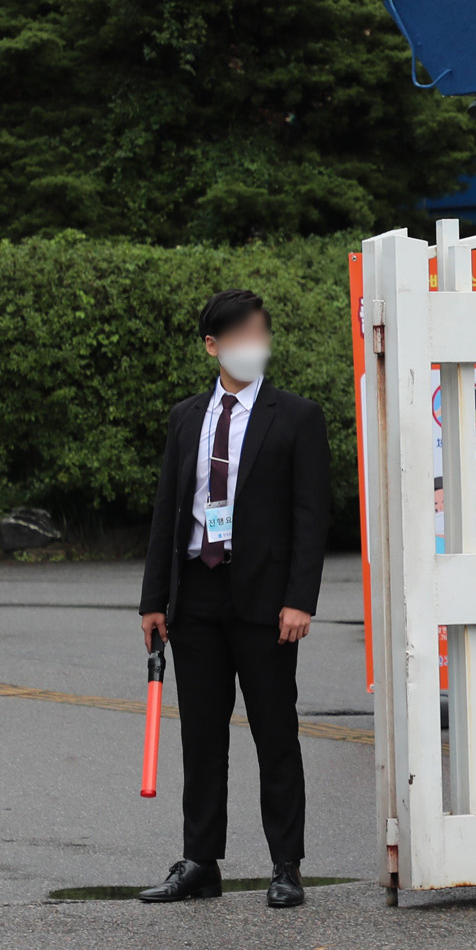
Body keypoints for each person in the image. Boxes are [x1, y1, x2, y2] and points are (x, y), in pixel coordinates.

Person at [137, 289, 331, 908]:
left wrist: (301, 599)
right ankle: (200, 861)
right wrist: (154, 600)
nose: (255, 346)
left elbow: (310, 516)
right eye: (241, 337)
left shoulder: (296, 416)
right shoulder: (186, 416)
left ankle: (286, 864)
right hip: (196, 595)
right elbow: (170, 510)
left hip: (266, 601)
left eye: (261, 335)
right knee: (202, 734)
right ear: (213, 346)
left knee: (275, 731)